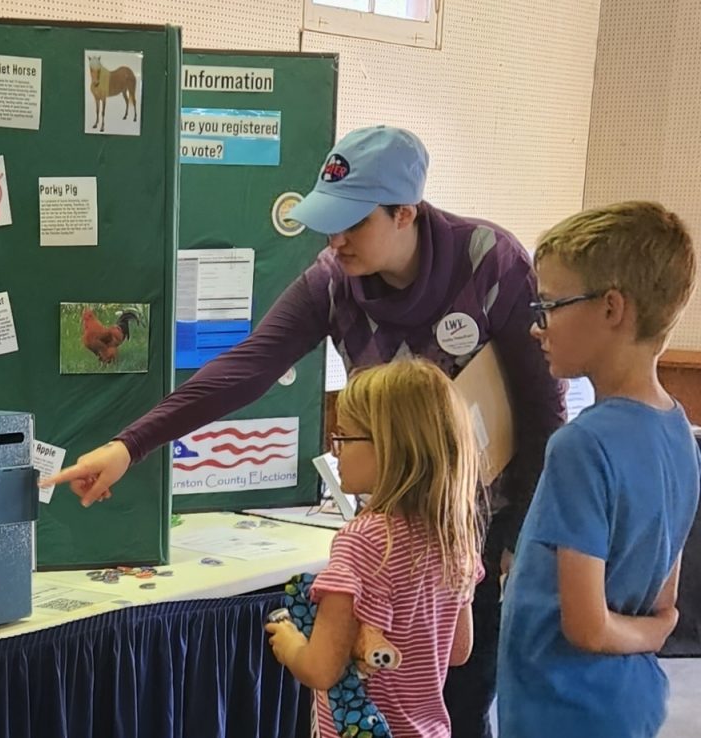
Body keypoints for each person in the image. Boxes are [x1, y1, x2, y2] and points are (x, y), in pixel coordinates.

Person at [42, 125, 565, 736]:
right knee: (370, 696)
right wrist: (129, 445)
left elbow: (543, 410)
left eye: (353, 221)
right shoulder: (333, 278)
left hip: (469, 528)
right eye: (328, 220)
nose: (336, 239)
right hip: (394, 523)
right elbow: (247, 366)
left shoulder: (491, 261)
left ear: (406, 213)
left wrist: (516, 540)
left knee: (458, 698)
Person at [496, 201, 700, 737]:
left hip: (563, 710)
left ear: (612, 308)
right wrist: (655, 631)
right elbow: (663, 599)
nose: (538, 328)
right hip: (626, 702)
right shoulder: (680, 430)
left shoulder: (581, 445)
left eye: (549, 305)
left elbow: (586, 627)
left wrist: (655, 635)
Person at [265, 359, 484, 738]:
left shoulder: (361, 542)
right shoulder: (454, 537)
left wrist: (290, 644)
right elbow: (457, 651)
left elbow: (321, 669)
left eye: (344, 438)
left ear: (390, 448)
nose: (335, 452)